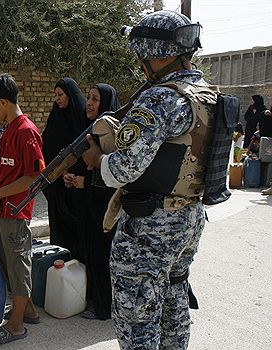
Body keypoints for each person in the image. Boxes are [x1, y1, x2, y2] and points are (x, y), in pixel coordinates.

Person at [82, 10, 214, 349]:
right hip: (190, 218)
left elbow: (125, 168)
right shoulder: (207, 94)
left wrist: (98, 161)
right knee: (174, 302)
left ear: (153, 53)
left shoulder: (160, 98)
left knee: (137, 317)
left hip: (150, 226)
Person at [0, 73, 45, 345]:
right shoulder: (8, 131)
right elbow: (0, 174)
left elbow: (34, 176)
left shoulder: (26, 131)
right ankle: (27, 310)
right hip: (1, 210)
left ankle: (15, 326)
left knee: (18, 265)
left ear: (3, 102)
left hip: (16, 211)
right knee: (6, 261)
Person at [66, 83, 120, 320]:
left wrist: (83, 181)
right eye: (88, 97)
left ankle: (104, 306)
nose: (88, 103)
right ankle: (99, 300)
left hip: (105, 206)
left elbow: (111, 174)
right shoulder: (91, 130)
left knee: (103, 253)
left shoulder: (110, 133)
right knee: (94, 251)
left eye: (95, 99)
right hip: (92, 202)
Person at [41, 77, 87, 261]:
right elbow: (46, 152)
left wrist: (78, 175)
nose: (57, 99)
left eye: (60, 94)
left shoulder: (83, 120)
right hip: (59, 188)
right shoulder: (55, 120)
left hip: (80, 188)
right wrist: (61, 174)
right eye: (55, 95)